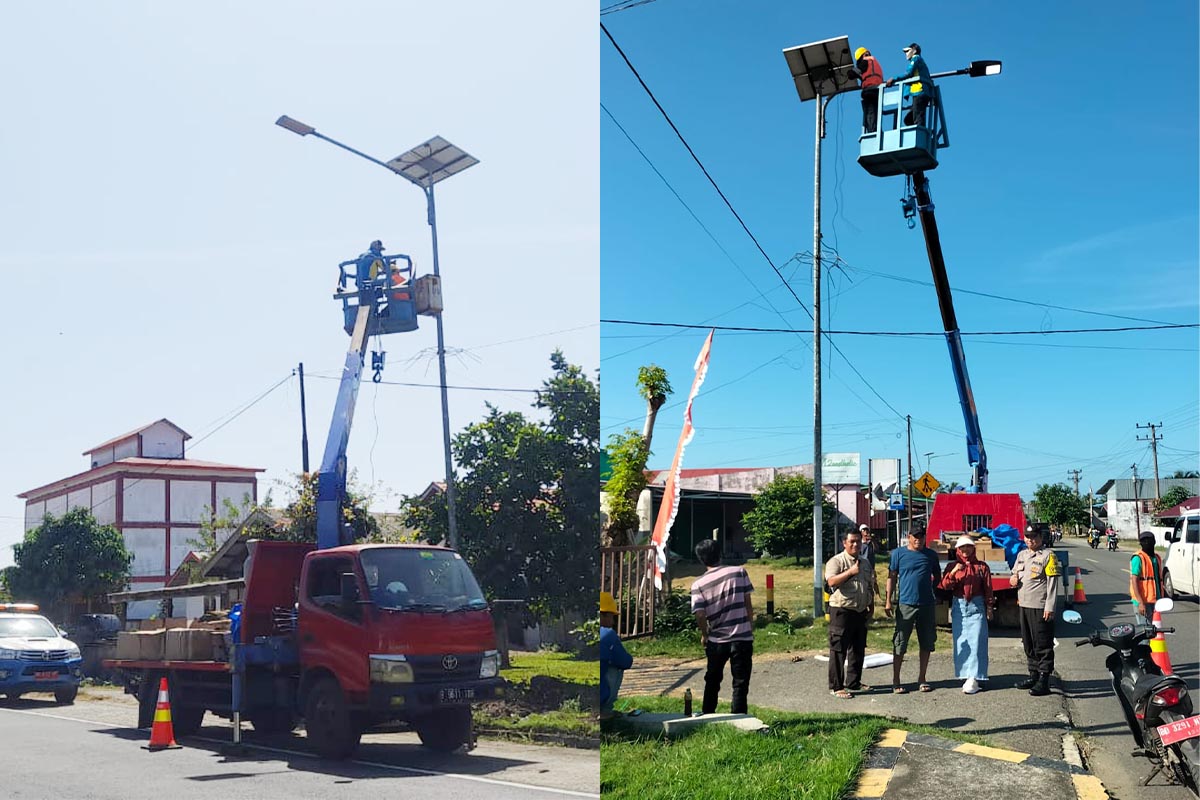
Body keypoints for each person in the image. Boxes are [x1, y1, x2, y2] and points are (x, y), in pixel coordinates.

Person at [690, 538, 754, 715]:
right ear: (720, 553)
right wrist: (750, 627)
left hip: (717, 639)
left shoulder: (698, 584)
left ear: (701, 559)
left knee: (712, 679)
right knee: (740, 681)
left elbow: (700, 614)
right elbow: (748, 604)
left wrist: (705, 634)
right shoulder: (739, 572)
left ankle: (708, 713)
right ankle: (739, 717)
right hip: (742, 636)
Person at [884, 527, 941, 693]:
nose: (918, 539)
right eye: (915, 537)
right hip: (905, 604)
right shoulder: (898, 554)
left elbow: (937, 576)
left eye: (921, 536)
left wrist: (932, 590)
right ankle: (896, 680)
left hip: (926, 605)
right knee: (900, 641)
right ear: (908, 537)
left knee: (927, 641)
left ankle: (922, 678)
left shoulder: (931, 555)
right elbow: (891, 577)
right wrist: (888, 601)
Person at [938, 536, 994, 694]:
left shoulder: (982, 567)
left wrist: (989, 607)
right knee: (961, 642)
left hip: (977, 606)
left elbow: (988, 588)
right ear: (957, 550)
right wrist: (954, 572)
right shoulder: (952, 565)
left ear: (973, 548)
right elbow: (945, 585)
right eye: (962, 547)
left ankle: (974, 677)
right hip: (959, 606)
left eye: (968, 547)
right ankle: (965, 674)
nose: (965, 550)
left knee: (977, 641)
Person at [1009, 524, 1061, 696]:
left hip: (1040, 606)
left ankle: (1044, 680)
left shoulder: (1049, 556)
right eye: (1027, 537)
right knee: (1028, 643)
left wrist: (1050, 607)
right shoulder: (1022, 555)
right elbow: (1014, 574)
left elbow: (1053, 585)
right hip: (1024, 605)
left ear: (1041, 538)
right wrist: (1013, 578)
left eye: (1034, 537)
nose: (1030, 540)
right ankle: (1033, 674)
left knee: (1043, 644)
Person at [825, 529, 876, 698]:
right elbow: (831, 581)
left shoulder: (865, 562)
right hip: (842, 610)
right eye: (852, 541)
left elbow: (869, 584)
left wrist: (871, 603)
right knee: (839, 648)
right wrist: (850, 572)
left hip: (860, 610)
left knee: (858, 648)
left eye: (858, 541)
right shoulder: (837, 561)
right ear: (844, 543)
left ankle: (854, 682)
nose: (856, 544)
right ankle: (836, 686)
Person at [599, 591, 633, 720]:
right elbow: (626, 662)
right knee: (616, 667)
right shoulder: (607, 634)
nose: (612, 622)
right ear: (603, 615)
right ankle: (604, 710)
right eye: (611, 617)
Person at [885, 43, 933, 127]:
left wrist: (894, 79)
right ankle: (918, 132)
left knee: (918, 118)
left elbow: (908, 73)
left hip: (919, 91)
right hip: (921, 92)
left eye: (907, 51)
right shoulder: (922, 62)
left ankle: (919, 134)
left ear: (914, 51)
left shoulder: (916, 58)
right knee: (909, 119)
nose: (906, 54)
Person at [1130, 532, 1163, 626]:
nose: (1147, 543)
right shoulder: (1138, 558)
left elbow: (1158, 579)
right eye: (1144, 541)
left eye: (1149, 541)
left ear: (1154, 542)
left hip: (1155, 600)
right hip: (1143, 601)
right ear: (1141, 543)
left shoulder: (1156, 558)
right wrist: (1140, 603)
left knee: (1154, 630)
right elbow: (1134, 580)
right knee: (1145, 633)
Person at [851, 46, 884, 133]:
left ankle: (872, 131)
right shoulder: (874, 62)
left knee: (870, 112)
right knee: (875, 112)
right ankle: (877, 130)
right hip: (878, 90)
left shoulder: (866, 61)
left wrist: (850, 72)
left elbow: (853, 74)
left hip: (870, 90)